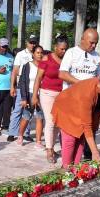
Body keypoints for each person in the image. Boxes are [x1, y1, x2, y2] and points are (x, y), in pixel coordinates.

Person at [51, 75, 100, 168]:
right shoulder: (87, 94)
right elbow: (87, 125)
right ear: (99, 84)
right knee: (70, 140)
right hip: (65, 110)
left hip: (78, 108)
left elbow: (95, 114)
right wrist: (94, 152)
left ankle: (75, 168)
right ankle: (66, 170)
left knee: (81, 138)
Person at [58, 28, 100, 160]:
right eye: (91, 42)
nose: (94, 45)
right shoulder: (71, 53)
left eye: (96, 43)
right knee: (69, 136)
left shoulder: (96, 56)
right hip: (71, 100)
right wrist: (81, 84)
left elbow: (99, 77)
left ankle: (78, 164)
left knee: (83, 134)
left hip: (88, 101)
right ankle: (67, 165)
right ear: (82, 39)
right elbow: (62, 74)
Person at [32, 34, 68, 163]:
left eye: (65, 49)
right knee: (51, 121)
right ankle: (49, 150)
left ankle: (51, 146)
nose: (63, 51)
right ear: (55, 47)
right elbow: (38, 78)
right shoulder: (46, 58)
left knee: (58, 123)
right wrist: (34, 95)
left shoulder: (67, 60)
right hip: (47, 93)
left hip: (62, 95)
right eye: (61, 49)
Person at [7, 35, 39, 142]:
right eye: (31, 42)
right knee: (18, 109)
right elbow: (15, 71)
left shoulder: (38, 55)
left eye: (34, 42)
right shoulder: (21, 54)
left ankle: (26, 133)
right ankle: (12, 132)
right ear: (27, 43)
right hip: (22, 85)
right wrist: (12, 86)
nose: (32, 44)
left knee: (29, 110)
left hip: (34, 87)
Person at [16, 45, 45, 149]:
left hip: (41, 94)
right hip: (29, 94)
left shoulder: (44, 65)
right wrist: (24, 98)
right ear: (33, 54)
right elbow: (22, 82)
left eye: (41, 52)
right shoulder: (27, 65)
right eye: (37, 52)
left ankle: (38, 141)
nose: (40, 54)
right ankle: (20, 135)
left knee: (40, 117)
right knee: (26, 116)